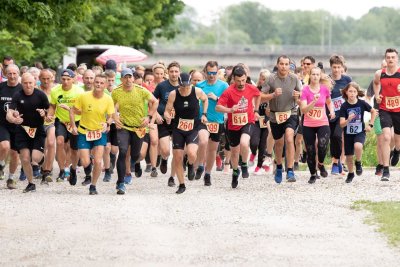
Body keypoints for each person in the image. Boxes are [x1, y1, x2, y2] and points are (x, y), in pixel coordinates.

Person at [112, 68, 158, 195]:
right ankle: (121, 183)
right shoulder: (116, 92)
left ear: (133, 78)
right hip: (124, 126)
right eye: (125, 77)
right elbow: (111, 107)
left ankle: (133, 164)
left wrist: (148, 116)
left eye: (129, 77)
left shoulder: (141, 90)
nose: (128, 79)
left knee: (136, 154)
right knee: (122, 151)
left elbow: (155, 102)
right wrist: (115, 118)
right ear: (121, 79)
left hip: (139, 127)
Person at [216, 66, 260, 189]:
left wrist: (256, 110)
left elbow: (258, 95)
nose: (241, 83)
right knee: (234, 152)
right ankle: (235, 172)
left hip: (248, 121)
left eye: (243, 80)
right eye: (238, 81)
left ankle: (244, 164)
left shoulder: (251, 88)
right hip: (233, 125)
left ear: (246, 78)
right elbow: (218, 107)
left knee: (244, 143)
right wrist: (230, 110)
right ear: (234, 80)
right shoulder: (229, 91)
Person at [70, 73, 115, 194]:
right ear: (94, 83)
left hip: (99, 133)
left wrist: (107, 123)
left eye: (101, 83)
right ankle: (86, 170)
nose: (99, 85)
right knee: (85, 162)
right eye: (97, 82)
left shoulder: (108, 98)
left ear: (105, 85)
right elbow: (72, 110)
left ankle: (93, 186)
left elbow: (111, 116)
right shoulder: (84, 96)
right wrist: (74, 126)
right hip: (84, 131)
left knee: (98, 161)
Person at [164, 72, 208, 194]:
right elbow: (167, 110)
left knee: (192, 153)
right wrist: (167, 116)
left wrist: (204, 114)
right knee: (177, 157)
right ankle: (182, 184)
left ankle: (190, 164)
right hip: (178, 128)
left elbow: (205, 100)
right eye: (183, 86)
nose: (185, 88)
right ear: (179, 84)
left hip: (193, 127)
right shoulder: (174, 94)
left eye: (187, 85)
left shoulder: (197, 91)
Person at [261, 55, 302, 183]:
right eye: (282, 64)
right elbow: (261, 97)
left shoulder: (294, 78)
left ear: (289, 66)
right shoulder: (270, 79)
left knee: (289, 138)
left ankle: (290, 170)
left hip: (291, 112)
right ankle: (279, 166)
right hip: (275, 115)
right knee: (279, 143)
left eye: (286, 64)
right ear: (278, 65)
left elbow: (301, 97)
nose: (284, 67)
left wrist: (297, 96)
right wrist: (272, 95)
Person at [6, 73, 49, 193]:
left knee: (35, 157)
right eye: (25, 83)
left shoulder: (40, 95)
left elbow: (49, 111)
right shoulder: (17, 95)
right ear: (22, 84)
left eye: (30, 83)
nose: (28, 85)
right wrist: (14, 119)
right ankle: (31, 183)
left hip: (37, 129)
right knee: (25, 159)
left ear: (34, 83)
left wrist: (44, 113)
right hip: (23, 129)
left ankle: (42, 163)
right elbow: (9, 113)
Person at [47, 69, 84, 184]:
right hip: (61, 121)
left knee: (74, 149)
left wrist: (70, 110)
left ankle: (72, 169)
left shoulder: (79, 91)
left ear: (73, 79)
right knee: (59, 142)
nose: (66, 81)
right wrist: (49, 115)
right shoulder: (55, 90)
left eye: (68, 79)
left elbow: (82, 111)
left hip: (76, 122)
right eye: (63, 79)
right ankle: (62, 170)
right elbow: (53, 106)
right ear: (60, 79)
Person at [195, 61, 228, 185]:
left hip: (217, 121)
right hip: (203, 119)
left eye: (214, 73)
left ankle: (208, 174)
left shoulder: (224, 86)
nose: (212, 75)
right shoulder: (199, 86)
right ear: (205, 72)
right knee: (203, 141)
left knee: (212, 150)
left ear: (217, 71)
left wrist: (217, 98)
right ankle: (200, 166)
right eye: (209, 73)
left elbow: (229, 103)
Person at [299, 67, 335, 184]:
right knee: (310, 151)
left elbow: (329, 102)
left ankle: (320, 164)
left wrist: (332, 111)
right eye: (313, 74)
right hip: (308, 124)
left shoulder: (324, 89)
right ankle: (313, 174)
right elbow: (304, 110)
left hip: (322, 122)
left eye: (317, 75)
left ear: (320, 76)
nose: (315, 76)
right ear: (310, 76)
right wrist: (313, 102)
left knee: (323, 145)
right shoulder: (305, 90)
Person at [340, 82, 376, 183]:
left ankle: (359, 162)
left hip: (360, 131)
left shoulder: (362, 103)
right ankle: (351, 173)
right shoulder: (344, 106)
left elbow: (373, 112)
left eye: (354, 91)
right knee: (349, 157)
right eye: (350, 91)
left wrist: (370, 125)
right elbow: (341, 124)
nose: (352, 93)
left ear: (357, 93)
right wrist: (348, 120)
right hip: (348, 133)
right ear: (346, 92)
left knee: (358, 146)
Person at [373, 48, 400, 181]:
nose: (390, 59)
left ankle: (397, 151)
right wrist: (377, 95)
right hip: (385, 109)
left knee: (397, 138)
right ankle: (385, 169)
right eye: (388, 57)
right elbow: (376, 83)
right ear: (385, 59)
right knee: (386, 137)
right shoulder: (380, 73)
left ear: (397, 59)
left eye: (393, 57)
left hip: (399, 110)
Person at [153, 61, 181, 187]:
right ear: (167, 73)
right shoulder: (162, 86)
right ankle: (164, 159)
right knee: (165, 150)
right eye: (171, 71)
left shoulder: (184, 86)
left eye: (176, 71)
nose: (174, 74)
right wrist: (156, 115)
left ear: (179, 72)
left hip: (178, 123)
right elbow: (152, 101)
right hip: (163, 122)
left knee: (176, 151)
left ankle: (172, 177)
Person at [328, 55, 352, 175]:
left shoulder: (347, 80)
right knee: (332, 138)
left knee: (338, 136)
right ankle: (333, 162)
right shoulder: (326, 80)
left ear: (342, 67)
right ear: (331, 67)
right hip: (328, 114)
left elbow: (352, 94)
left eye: (338, 67)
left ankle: (336, 162)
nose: (336, 70)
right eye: (334, 67)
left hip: (341, 115)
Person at [0, 64, 22, 189]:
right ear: (5, 74)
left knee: (14, 154)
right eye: (10, 73)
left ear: (18, 74)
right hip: (2, 124)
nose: (12, 76)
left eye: (14, 73)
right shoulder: (1, 87)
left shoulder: (22, 88)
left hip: (17, 126)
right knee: (4, 146)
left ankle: (11, 178)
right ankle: (1, 164)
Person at [366, 59, 388, 176]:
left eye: (386, 67)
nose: (384, 69)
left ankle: (389, 158)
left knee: (391, 138)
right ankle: (381, 165)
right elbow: (368, 96)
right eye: (382, 67)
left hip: (393, 112)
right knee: (381, 140)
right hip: (378, 112)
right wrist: (371, 109)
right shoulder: (375, 80)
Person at [250, 69, 271, 174]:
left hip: (267, 120)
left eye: (266, 80)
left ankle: (259, 166)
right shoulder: (256, 89)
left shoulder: (272, 92)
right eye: (262, 79)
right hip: (257, 119)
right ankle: (253, 152)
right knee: (254, 142)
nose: (264, 82)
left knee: (263, 144)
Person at [39, 69, 56, 183]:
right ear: (39, 79)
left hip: (51, 122)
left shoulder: (56, 90)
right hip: (37, 123)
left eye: (48, 78)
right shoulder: (36, 90)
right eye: (43, 79)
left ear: (52, 78)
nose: (46, 81)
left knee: (50, 143)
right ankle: (41, 165)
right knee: (41, 149)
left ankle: (47, 171)